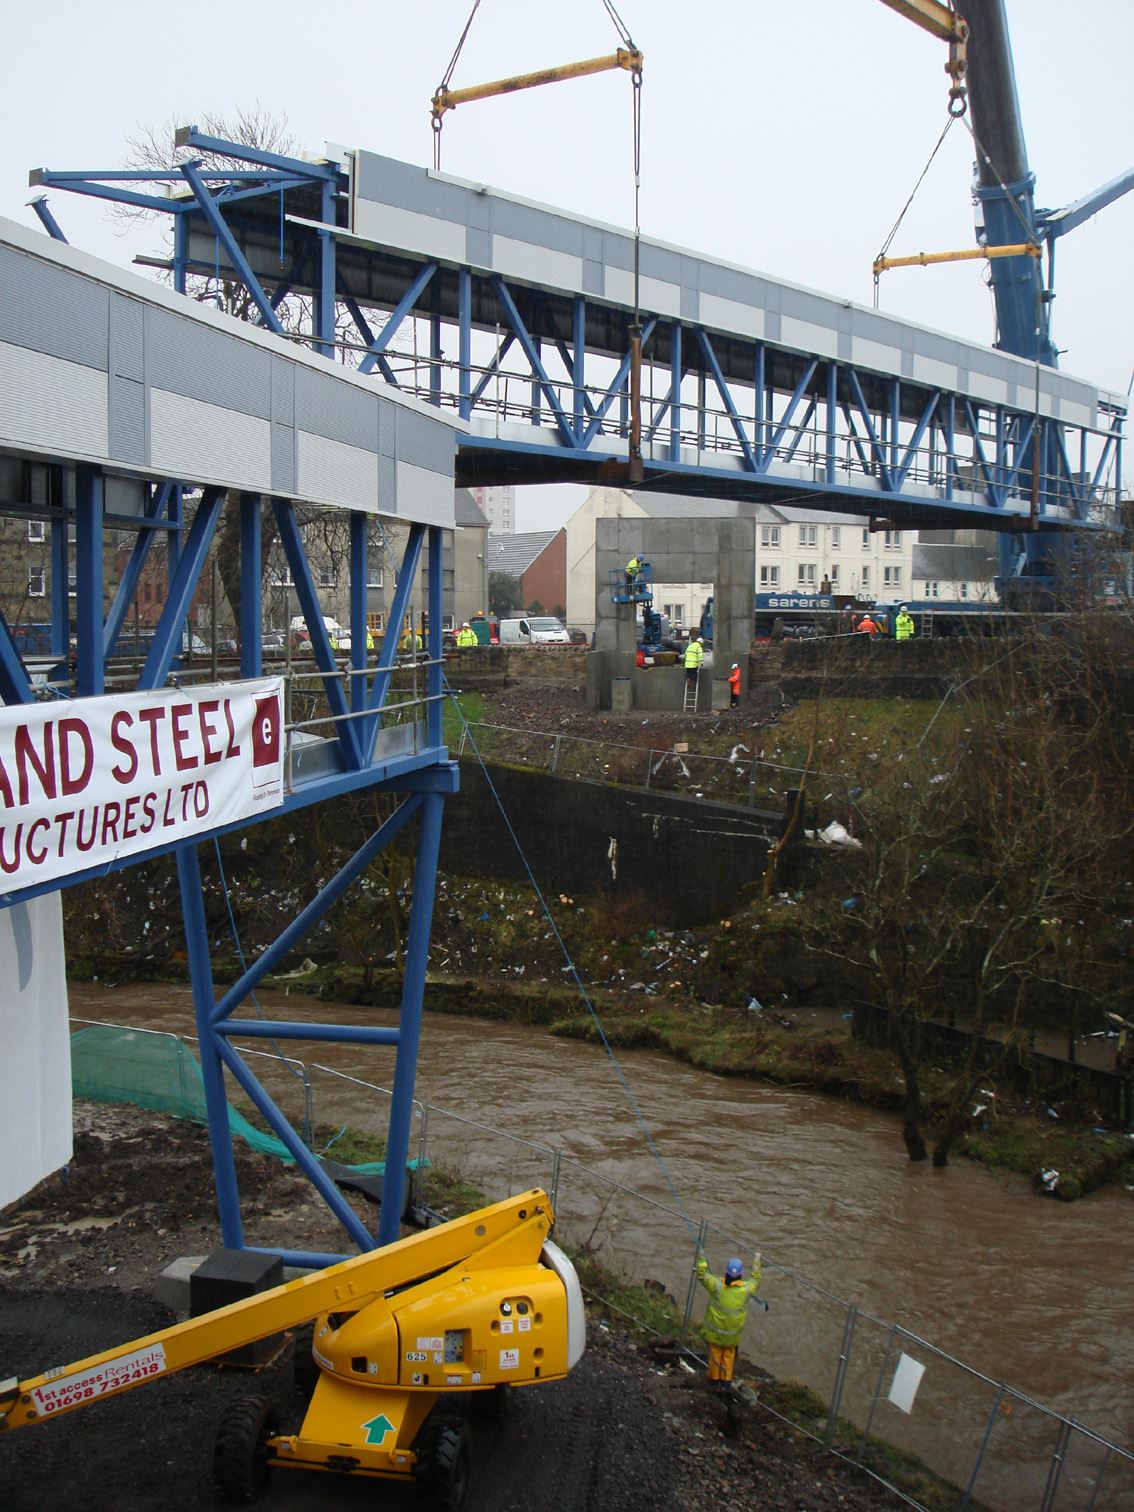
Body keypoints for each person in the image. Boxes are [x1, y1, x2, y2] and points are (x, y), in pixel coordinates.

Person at [696, 1251, 763, 1385]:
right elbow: (756, 1281)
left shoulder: (717, 1286)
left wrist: (702, 1258)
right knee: (728, 1355)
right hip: (732, 1336)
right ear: (740, 1275)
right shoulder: (746, 1291)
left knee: (715, 1353)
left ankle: (714, 1379)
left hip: (715, 1333)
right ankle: (725, 1381)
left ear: (726, 1272)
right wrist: (757, 1261)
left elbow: (702, 1276)